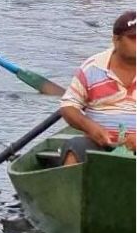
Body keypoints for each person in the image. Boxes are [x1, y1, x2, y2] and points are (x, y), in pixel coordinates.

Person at [58, 11, 136, 165]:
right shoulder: (92, 67)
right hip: (100, 146)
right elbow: (68, 106)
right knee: (74, 148)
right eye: (133, 38)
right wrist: (91, 128)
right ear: (116, 40)